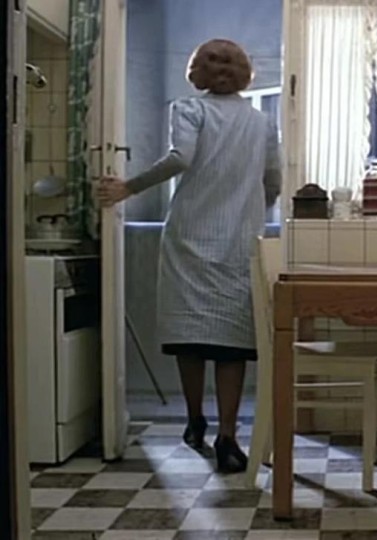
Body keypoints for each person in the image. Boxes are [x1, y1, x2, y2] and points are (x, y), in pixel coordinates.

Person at [97, 39, 281, 473]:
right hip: (239, 242)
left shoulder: (189, 109)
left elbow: (181, 158)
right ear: (244, 73)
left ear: (197, 71)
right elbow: (272, 179)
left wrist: (127, 187)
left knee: (191, 335)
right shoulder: (261, 122)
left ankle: (195, 421)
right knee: (233, 342)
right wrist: (252, 208)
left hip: (190, 237)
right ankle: (228, 437)